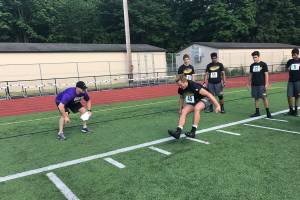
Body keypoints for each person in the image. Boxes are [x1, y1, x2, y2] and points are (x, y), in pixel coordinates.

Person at [168, 74, 221, 139]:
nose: (180, 87)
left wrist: (217, 105)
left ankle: (193, 132)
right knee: (184, 111)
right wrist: (180, 108)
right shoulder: (181, 88)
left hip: (206, 98)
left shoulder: (194, 85)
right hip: (195, 100)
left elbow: (209, 94)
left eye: (180, 85)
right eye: (178, 85)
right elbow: (181, 98)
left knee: (197, 108)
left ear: (185, 81)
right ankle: (178, 132)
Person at [248, 51, 272, 118]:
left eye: (255, 57)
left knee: (264, 98)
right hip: (254, 85)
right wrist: (248, 83)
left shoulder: (263, 64)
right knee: (256, 98)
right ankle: (257, 112)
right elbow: (250, 75)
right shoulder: (252, 65)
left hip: (262, 85)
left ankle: (268, 113)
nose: (254, 59)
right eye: (253, 57)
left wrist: (266, 84)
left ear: (259, 57)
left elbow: (266, 74)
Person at [286, 48, 300, 116]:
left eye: (294, 55)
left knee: (297, 96)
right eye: (292, 55)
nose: (293, 56)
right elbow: (287, 69)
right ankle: (291, 110)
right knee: (289, 95)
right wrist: (288, 68)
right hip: (291, 81)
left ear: (298, 54)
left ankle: (296, 110)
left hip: (298, 81)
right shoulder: (290, 61)